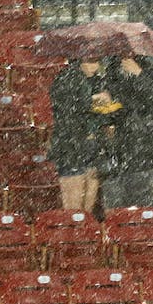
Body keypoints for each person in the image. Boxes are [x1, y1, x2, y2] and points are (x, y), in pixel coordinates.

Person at [101, 55, 153, 208]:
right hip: (121, 150)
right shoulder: (112, 77)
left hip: (147, 150)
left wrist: (139, 73)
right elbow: (115, 111)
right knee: (120, 204)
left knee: (140, 201)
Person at [48, 57, 115, 212]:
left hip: (93, 147)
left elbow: (104, 113)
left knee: (88, 208)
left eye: (97, 60)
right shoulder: (66, 78)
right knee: (73, 209)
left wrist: (107, 111)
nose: (96, 65)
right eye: (91, 60)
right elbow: (68, 110)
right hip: (71, 147)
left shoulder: (97, 82)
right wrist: (96, 100)